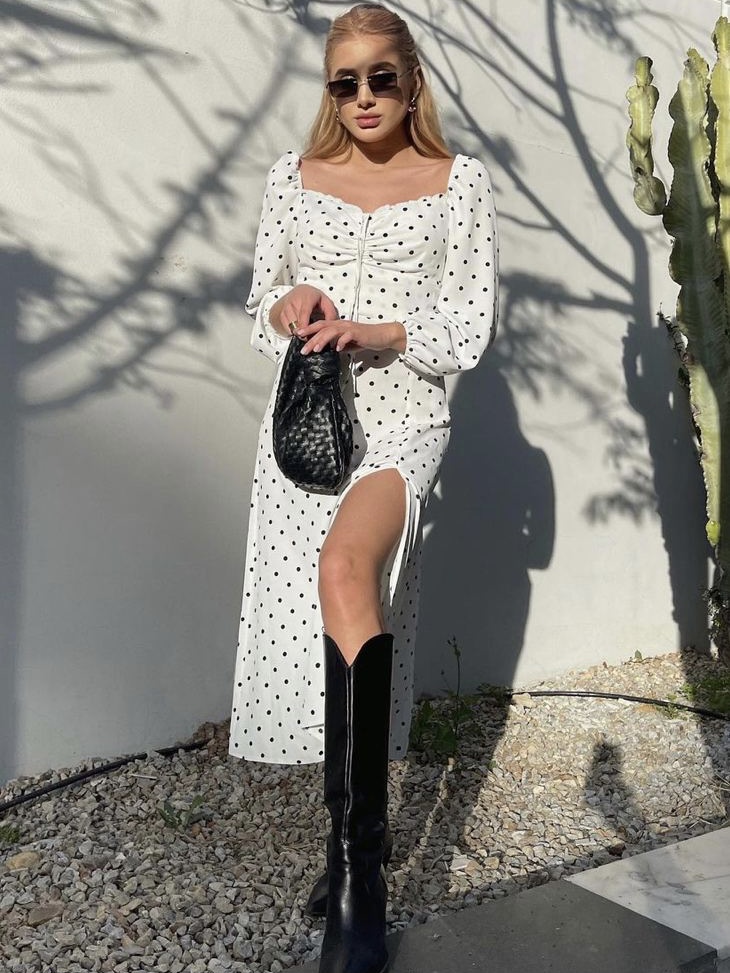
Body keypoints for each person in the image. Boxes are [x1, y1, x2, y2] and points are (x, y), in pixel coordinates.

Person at [229, 4, 498, 971]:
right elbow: (261, 300)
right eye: (345, 83)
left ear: (412, 81)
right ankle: (348, 848)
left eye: (382, 77)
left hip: (404, 419)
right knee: (332, 612)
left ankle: (361, 881)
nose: (365, 98)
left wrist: (382, 331)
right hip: (313, 426)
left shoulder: (459, 182)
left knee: (348, 567)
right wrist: (291, 305)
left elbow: (468, 326)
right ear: (330, 91)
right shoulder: (292, 178)